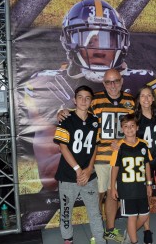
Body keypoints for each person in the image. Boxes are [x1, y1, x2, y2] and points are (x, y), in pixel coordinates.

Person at [24, 0, 156, 192]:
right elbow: (50, 171)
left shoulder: (143, 83)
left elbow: (154, 130)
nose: (99, 49)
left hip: (129, 161)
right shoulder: (46, 85)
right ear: (68, 40)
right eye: (88, 39)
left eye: (108, 39)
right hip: (92, 166)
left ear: (122, 42)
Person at [58, 68, 135, 243]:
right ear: (103, 83)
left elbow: (133, 126)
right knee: (97, 197)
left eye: (116, 81)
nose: (113, 85)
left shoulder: (130, 100)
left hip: (119, 159)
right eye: (108, 82)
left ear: (122, 81)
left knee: (112, 194)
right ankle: (97, 232)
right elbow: (80, 111)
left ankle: (108, 231)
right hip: (98, 158)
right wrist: (62, 113)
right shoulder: (96, 99)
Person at [53, 85, 105, 244]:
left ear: (91, 101)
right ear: (74, 100)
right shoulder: (66, 119)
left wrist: (89, 169)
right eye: (80, 97)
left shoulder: (95, 120)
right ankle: (68, 240)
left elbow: (95, 145)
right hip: (69, 175)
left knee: (95, 212)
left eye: (87, 98)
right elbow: (63, 147)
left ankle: (100, 240)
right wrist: (77, 170)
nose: (83, 100)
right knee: (66, 212)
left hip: (89, 176)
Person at [134, 85, 156, 244]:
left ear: (153, 98)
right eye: (143, 96)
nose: (146, 99)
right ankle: (147, 229)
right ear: (138, 99)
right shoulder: (134, 118)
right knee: (145, 196)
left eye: (149, 95)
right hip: (144, 162)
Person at [110, 113, 153, 244]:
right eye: (126, 126)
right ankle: (133, 240)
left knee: (145, 215)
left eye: (132, 126)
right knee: (132, 217)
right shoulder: (119, 147)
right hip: (126, 189)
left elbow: (147, 165)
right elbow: (115, 168)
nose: (129, 129)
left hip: (140, 187)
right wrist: (113, 187)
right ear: (122, 129)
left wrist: (149, 183)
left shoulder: (143, 144)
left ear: (137, 127)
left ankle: (129, 233)